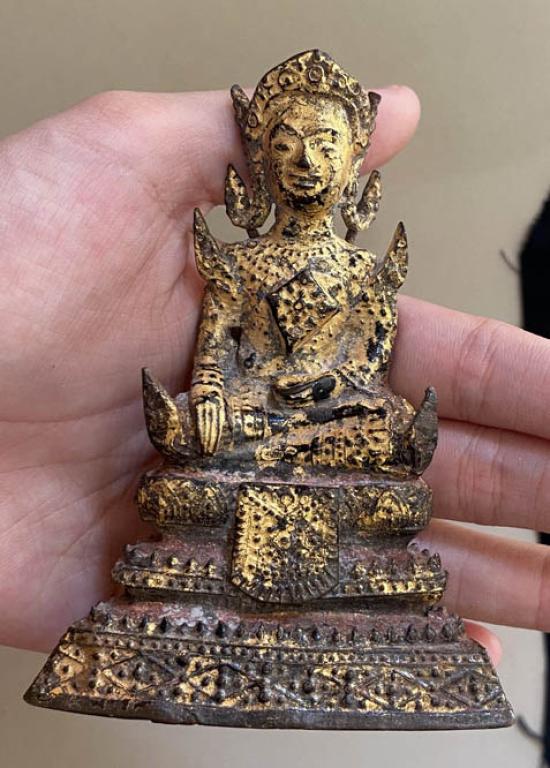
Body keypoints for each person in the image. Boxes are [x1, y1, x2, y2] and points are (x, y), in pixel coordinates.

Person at [1, 81, 548, 664]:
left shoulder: (363, 271)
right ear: (262, 164)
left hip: (331, 417)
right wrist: (209, 394)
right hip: (250, 414)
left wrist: (327, 386)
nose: (306, 162)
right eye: (286, 145)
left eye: (325, 145)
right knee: (189, 435)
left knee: (388, 429)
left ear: (352, 164)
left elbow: (367, 365)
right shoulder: (238, 263)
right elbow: (213, 352)